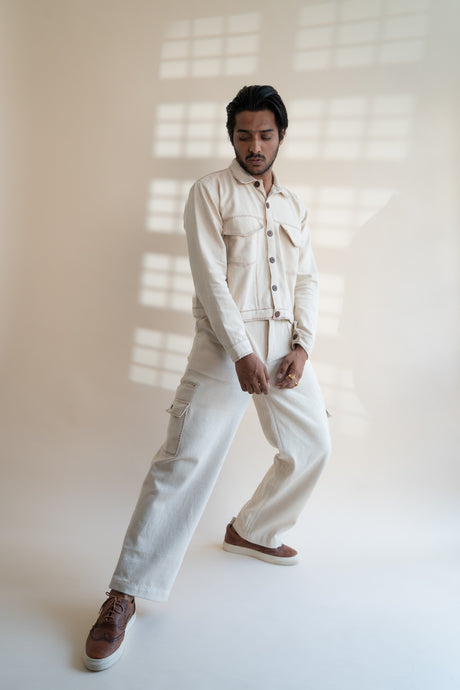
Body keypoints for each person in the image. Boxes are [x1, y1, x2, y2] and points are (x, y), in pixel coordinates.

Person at [83, 85, 331, 672]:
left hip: (283, 344)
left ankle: (253, 530)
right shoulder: (209, 192)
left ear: (281, 136)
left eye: (265, 135)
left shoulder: (293, 204)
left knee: (313, 444)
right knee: (183, 461)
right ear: (232, 138)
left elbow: (307, 280)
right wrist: (241, 351)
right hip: (224, 347)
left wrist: (302, 345)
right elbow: (210, 279)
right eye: (244, 135)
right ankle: (124, 593)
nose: (254, 146)